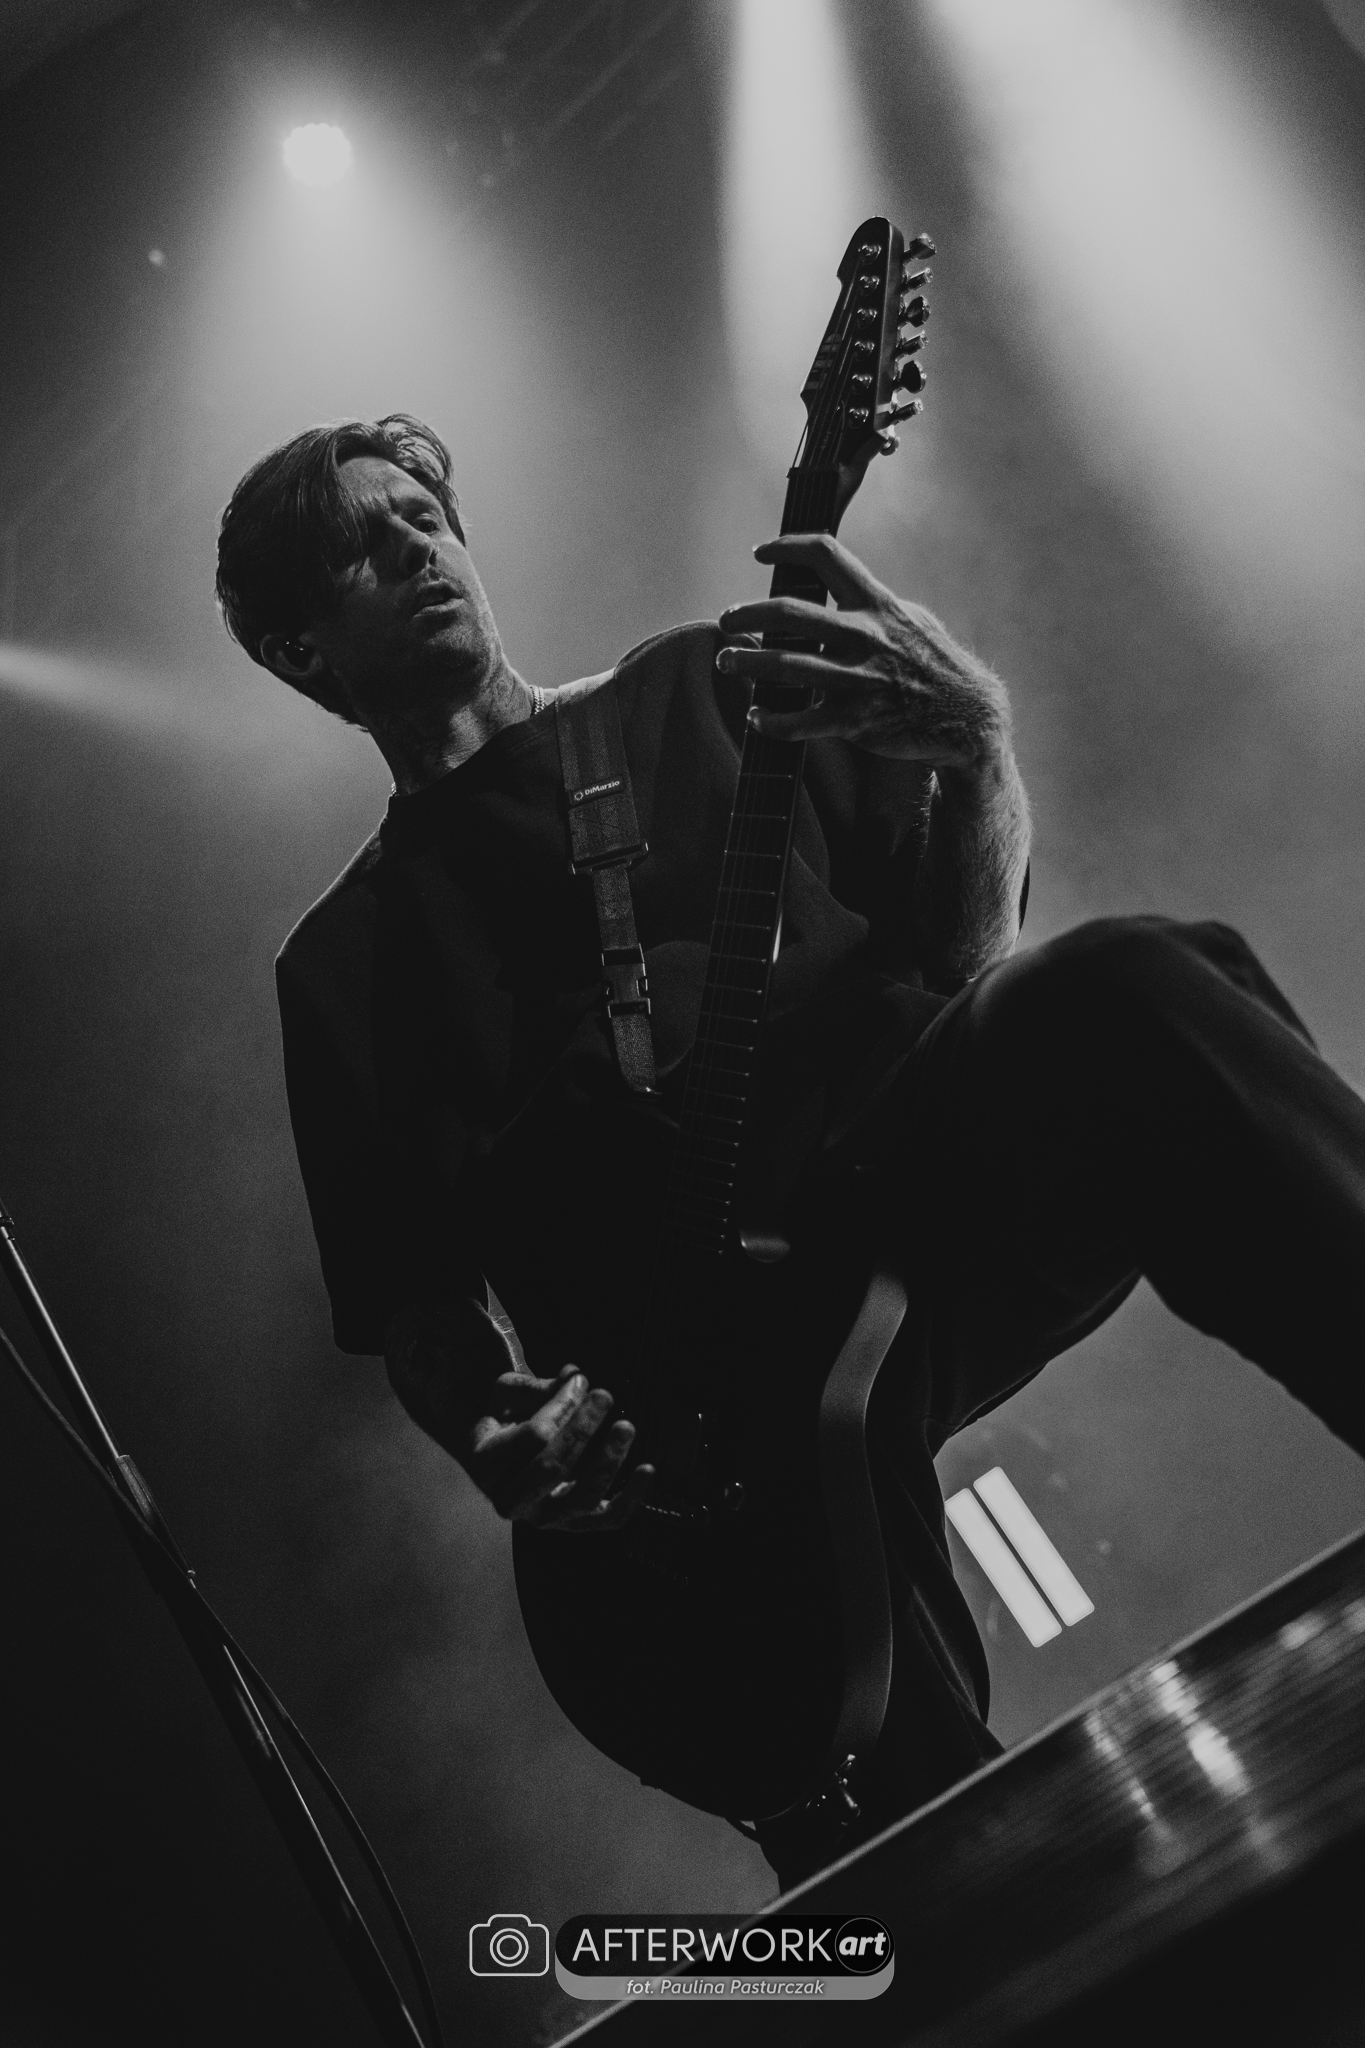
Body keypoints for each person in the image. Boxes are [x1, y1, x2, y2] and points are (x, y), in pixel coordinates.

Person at [216, 412, 1365, 1889]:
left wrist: (980, 749)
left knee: (1123, 985)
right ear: (301, 647)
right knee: (930, 1856)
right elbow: (417, 1299)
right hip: (694, 1425)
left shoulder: (702, 690)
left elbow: (959, 961)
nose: (419, 550)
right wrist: (498, 1435)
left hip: (903, 1195)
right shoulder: (341, 965)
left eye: (424, 517)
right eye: (364, 552)